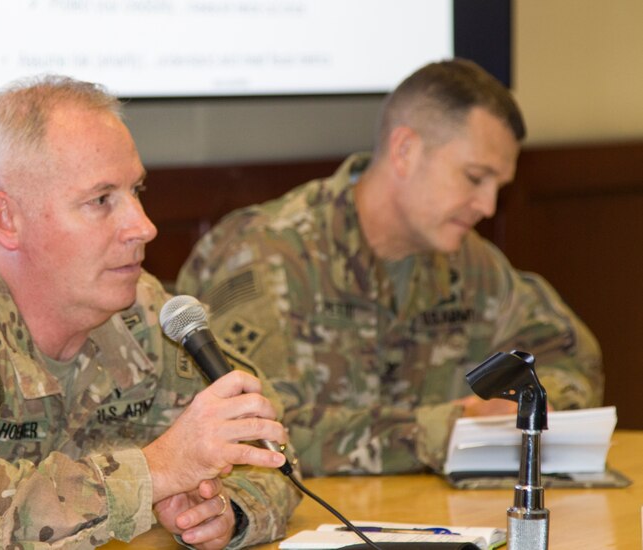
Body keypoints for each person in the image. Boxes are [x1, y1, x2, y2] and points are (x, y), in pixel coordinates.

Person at [0, 75, 301, 548]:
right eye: (101, 200)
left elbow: (270, 451)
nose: (144, 227)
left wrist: (221, 512)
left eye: (137, 192)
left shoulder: (141, 313)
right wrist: (154, 471)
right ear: (8, 220)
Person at [176, 58, 604, 477]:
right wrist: (447, 429)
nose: (489, 206)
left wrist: (520, 407)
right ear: (405, 150)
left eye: (498, 187)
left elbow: (574, 362)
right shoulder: (266, 254)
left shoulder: (472, 264)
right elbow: (258, 434)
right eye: (475, 177)